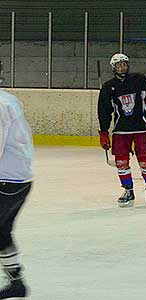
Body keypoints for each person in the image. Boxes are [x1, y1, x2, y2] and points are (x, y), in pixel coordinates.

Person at [98, 53, 146, 207]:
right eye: (119, 65)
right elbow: (104, 111)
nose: (122, 67)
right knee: (121, 162)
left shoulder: (139, 79)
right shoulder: (107, 87)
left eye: (124, 64)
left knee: (145, 162)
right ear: (114, 68)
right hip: (120, 130)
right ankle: (128, 190)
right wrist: (104, 132)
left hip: (140, 127)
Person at [0, 90, 33, 299]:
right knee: (1, 233)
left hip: (6, 180)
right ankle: (16, 283)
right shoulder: (8, 98)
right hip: (19, 179)